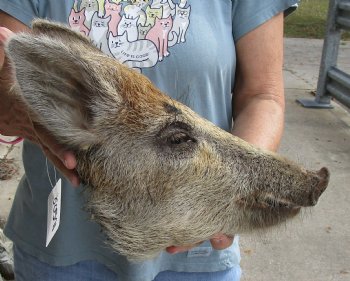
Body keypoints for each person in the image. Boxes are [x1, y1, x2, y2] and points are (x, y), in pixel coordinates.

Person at [0, 0, 298, 280]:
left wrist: (234, 194)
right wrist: (32, 112)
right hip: (60, 248)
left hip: (196, 251)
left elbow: (263, 96)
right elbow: (7, 89)